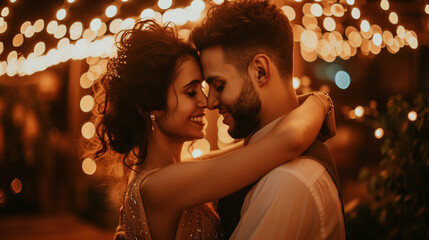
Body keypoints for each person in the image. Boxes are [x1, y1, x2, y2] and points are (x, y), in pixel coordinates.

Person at [89, 19, 333, 240]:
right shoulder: (160, 186)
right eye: (191, 91)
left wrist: (301, 103)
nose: (206, 102)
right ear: (150, 105)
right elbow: (287, 141)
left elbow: (258, 143)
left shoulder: (176, 172)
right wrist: (322, 101)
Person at [190, 0, 345, 239]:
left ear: (260, 71)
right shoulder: (263, 157)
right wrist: (319, 100)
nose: (210, 103)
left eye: (219, 85)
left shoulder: (286, 183)